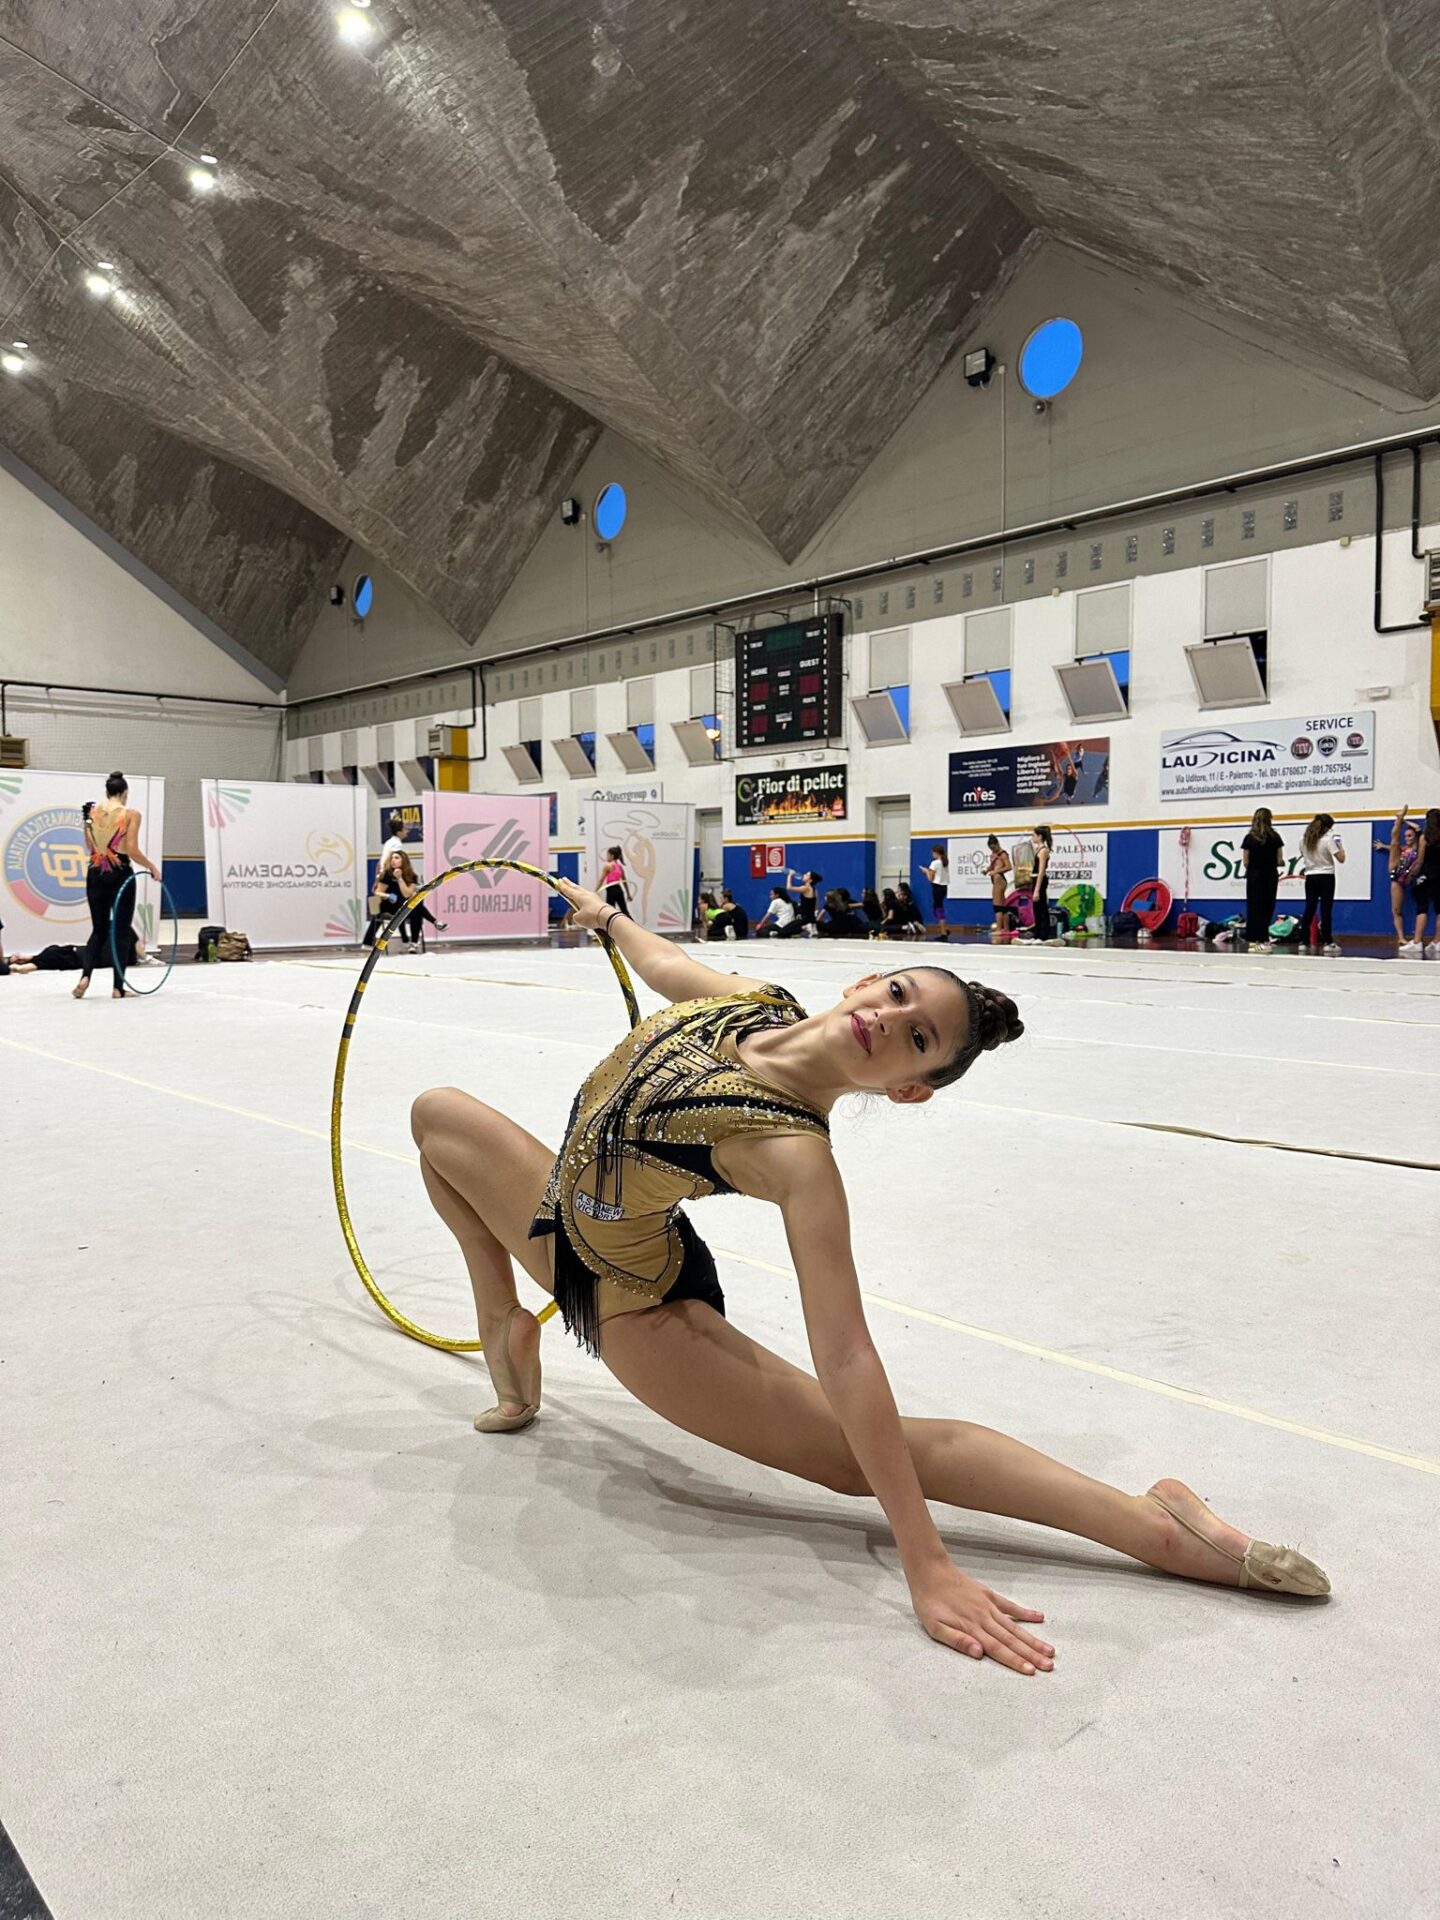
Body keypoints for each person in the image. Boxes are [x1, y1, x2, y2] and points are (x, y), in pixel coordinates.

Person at [409, 877, 1329, 1675]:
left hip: (636, 1302)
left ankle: (1152, 1525)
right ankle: (504, 1315)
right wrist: (607, 919)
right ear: (863, 980)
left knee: (858, 1456)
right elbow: (662, 966)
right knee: (436, 1119)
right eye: (895, 995)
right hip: (557, 1220)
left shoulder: (795, 1155)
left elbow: (847, 1357)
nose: (886, 1020)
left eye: (915, 1038)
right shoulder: (748, 1002)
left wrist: (923, 1559)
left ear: (908, 1088)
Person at [73, 773, 161, 1001]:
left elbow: (89, 845)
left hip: (95, 871)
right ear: (125, 793)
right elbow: (131, 849)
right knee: (121, 932)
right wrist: (151, 866)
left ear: (106, 792)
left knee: (98, 930)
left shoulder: (90, 813)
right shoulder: (130, 814)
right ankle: (117, 988)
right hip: (119, 873)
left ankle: (85, 977)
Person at [1296, 813, 1345, 954]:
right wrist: (1339, 845)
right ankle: (1328, 941)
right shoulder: (1329, 840)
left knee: (1309, 908)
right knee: (1326, 909)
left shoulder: (1304, 840)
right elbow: (1341, 858)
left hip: (1310, 876)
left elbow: (1303, 855)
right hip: (1326, 876)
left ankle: (1303, 941)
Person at [1240, 807, 1285, 952]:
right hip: (1270, 873)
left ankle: (1253, 940)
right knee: (1267, 906)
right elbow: (1280, 860)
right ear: (1270, 819)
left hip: (1254, 874)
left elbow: (1245, 861)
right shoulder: (1275, 837)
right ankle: (1264, 938)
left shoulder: (1249, 838)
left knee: (1254, 906)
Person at [1375, 807, 1419, 946]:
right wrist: (1382, 845)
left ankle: (1399, 819)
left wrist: (1405, 820)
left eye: (1410, 836)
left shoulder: (1418, 847)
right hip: (1396, 874)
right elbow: (1394, 847)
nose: (1407, 838)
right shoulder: (1403, 848)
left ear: (1415, 837)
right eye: (1405, 836)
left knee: (1398, 910)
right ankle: (1400, 937)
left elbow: (1418, 828)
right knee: (1396, 910)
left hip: (1406, 879)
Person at [1403, 808, 1440, 956]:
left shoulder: (1425, 837)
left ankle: (1417, 941)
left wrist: (1410, 874)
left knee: (1422, 908)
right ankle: (1437, 942)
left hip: (1427, 876)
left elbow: (1420, 860)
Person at [1027, 826, 1054, 943]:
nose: (1032, 837)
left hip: (1040, 880)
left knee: (1041, 907)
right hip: (1036, 879)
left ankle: (1043, 934)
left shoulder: (1043, 851)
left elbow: (1041, 871)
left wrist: (1037, 890)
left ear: (1040, 836)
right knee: (1036, 909)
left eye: (1033, 835)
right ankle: (1037, 933)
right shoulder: (1038, 849)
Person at [986, 836, 1012, 933]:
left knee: (997, 906)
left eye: (994, 848)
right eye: (991, 849)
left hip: (999, 879)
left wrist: (996, 872)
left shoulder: (1003, 854)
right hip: (996, 879)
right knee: (1003, 906)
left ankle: (999, 929)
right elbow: (992, 866)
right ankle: (1006, 928)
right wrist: (987, 870)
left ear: (997, 844)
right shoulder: (993, 855)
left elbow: (1009, 867)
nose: (993, 850)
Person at [784, 869, 822, 937]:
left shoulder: (805, 888)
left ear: (810, 880)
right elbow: (816, 905)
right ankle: (809, 927)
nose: (804, 875)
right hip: (811, 917)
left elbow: (789, 888)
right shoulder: (814, 890)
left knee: (784, 931)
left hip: (804, 918)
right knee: (792, 928)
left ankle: (806, 927)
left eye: (807, 875)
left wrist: (790, 875)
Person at [600, 846, 632, 919]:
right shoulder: (620, 866)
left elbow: (601, 880)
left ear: (612, 856)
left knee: (610, 912)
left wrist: (595, 892)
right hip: (619, 890)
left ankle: (610, 929)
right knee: (625, 911)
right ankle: (634, 927)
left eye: (607, 855)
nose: (606, 857)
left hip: (611, 890)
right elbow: (624, 882)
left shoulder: (608, 866)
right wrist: (628, 894)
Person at [924, 845, 949, 925]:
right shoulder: (945, 862)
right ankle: (945, 929)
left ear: (936, 852)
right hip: (944, 887)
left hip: (937, 887)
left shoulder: (934, 863)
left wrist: (926, 871)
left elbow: (930, 878)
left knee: (938, 910)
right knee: (936, 910)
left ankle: (943, 932)